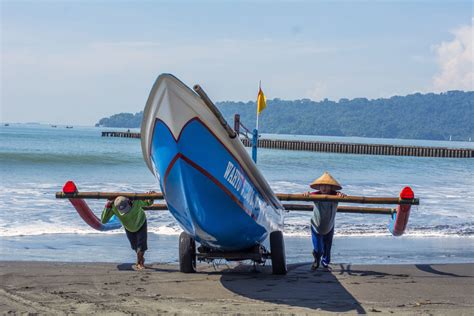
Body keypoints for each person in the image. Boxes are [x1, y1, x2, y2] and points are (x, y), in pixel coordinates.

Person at [304, 172, 345, 271]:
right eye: (322, 185)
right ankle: (316, 259)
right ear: (319, 187)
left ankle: (325, 262)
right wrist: (306, 195)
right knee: (318, 248)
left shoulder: (336, 196)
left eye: (327, 186)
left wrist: (341, 195)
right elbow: (307, 196)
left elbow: (343, 196)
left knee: (327, 246)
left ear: (331, 187)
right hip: (316, 225)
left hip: (329, 224)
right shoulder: (316, 195)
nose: (324, 188)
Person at [101, 194, 154, 270]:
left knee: (141, 245)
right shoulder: (113, 207)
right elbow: (104, 220)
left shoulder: (136, 202)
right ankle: (141, 258)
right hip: (128, 227)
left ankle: (139, 263)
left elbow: (148, 203)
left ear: (129, 202)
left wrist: (150, 197)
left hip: (141, 222)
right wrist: (107, 206)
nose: (126, 212)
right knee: (134, 246)